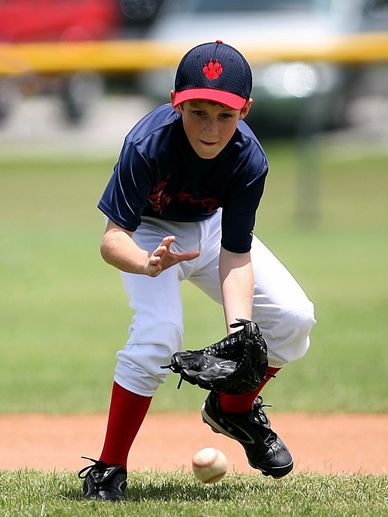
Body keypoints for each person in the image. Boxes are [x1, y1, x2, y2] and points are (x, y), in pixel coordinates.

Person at [78, 40, 316, 501]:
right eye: (198, 111)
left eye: (224, 115)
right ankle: (108, 468)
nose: (211, 128)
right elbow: (112, 240)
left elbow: (236, 251)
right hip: (145, 235)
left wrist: (240, 330)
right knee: (157, 337)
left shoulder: (249, 159)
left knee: (292, 318)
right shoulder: (148, 144)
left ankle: (233, 410)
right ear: (175, 103)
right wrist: (147, 264)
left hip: (209, 232)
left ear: (245, 110)